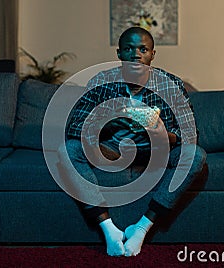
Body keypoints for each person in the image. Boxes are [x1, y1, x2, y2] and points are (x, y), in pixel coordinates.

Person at [58, 27, 206, 257]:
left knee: (195, 155)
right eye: (128, 48)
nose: (135, 54)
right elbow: (75, 127)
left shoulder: (171, 85)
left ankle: (141, 228)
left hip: (157, 150)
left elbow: (191, 133)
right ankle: (109, 230)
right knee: (67, 150)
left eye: (142, 49)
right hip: (112, 149)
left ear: (152, 54)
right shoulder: (101, 81)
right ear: (119, 54)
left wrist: (165, 136)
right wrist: (108, 123)